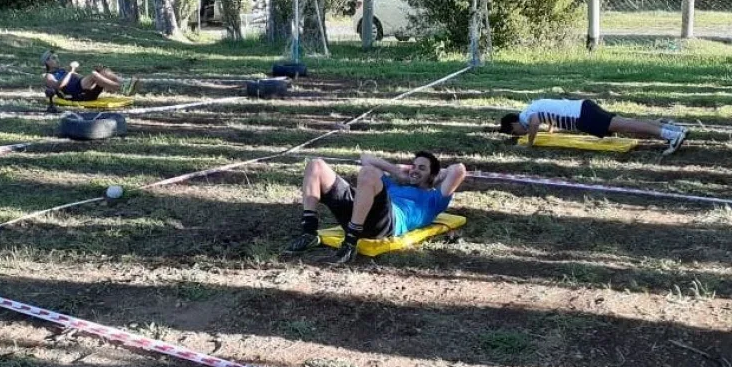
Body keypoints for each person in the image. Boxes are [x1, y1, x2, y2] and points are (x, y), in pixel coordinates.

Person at [284, 152, 467, 265]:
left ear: (433, 175)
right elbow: (366, 158)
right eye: (413, 166)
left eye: (422, 168)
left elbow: (458, 169)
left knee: (368, 174)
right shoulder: (395, 186)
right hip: (360, 210)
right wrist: (396, 171)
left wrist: (434, 178)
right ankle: (308, 232)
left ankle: (350, 244)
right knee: (316, 165)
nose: (414, 170)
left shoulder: (435, 198)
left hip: (387, 223)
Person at [498, 98, 688, 155]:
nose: (519, 133)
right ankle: (674, 130)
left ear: (514, 123)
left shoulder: (526, 116)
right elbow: (550, 116)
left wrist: (529, 144)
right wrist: (551, 130)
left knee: (628, 126)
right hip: (583, 109)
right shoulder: (532, 107)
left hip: (583, 115)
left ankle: (670, 135)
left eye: (516, 132)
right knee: (627, 123)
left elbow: (535, 122)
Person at [41, 50, 140, 108]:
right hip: (75, 94)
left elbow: (80, 78)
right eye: (53, 58)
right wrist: (70, 72)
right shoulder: (48, 76)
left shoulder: (63, 71)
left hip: (83, 89)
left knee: (103, 71)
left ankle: (125, 82)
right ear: (47, 62)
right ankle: (122, 88)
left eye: (57, 57)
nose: (57, 60)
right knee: (93, 74)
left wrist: (99, 74)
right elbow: (58, 86)